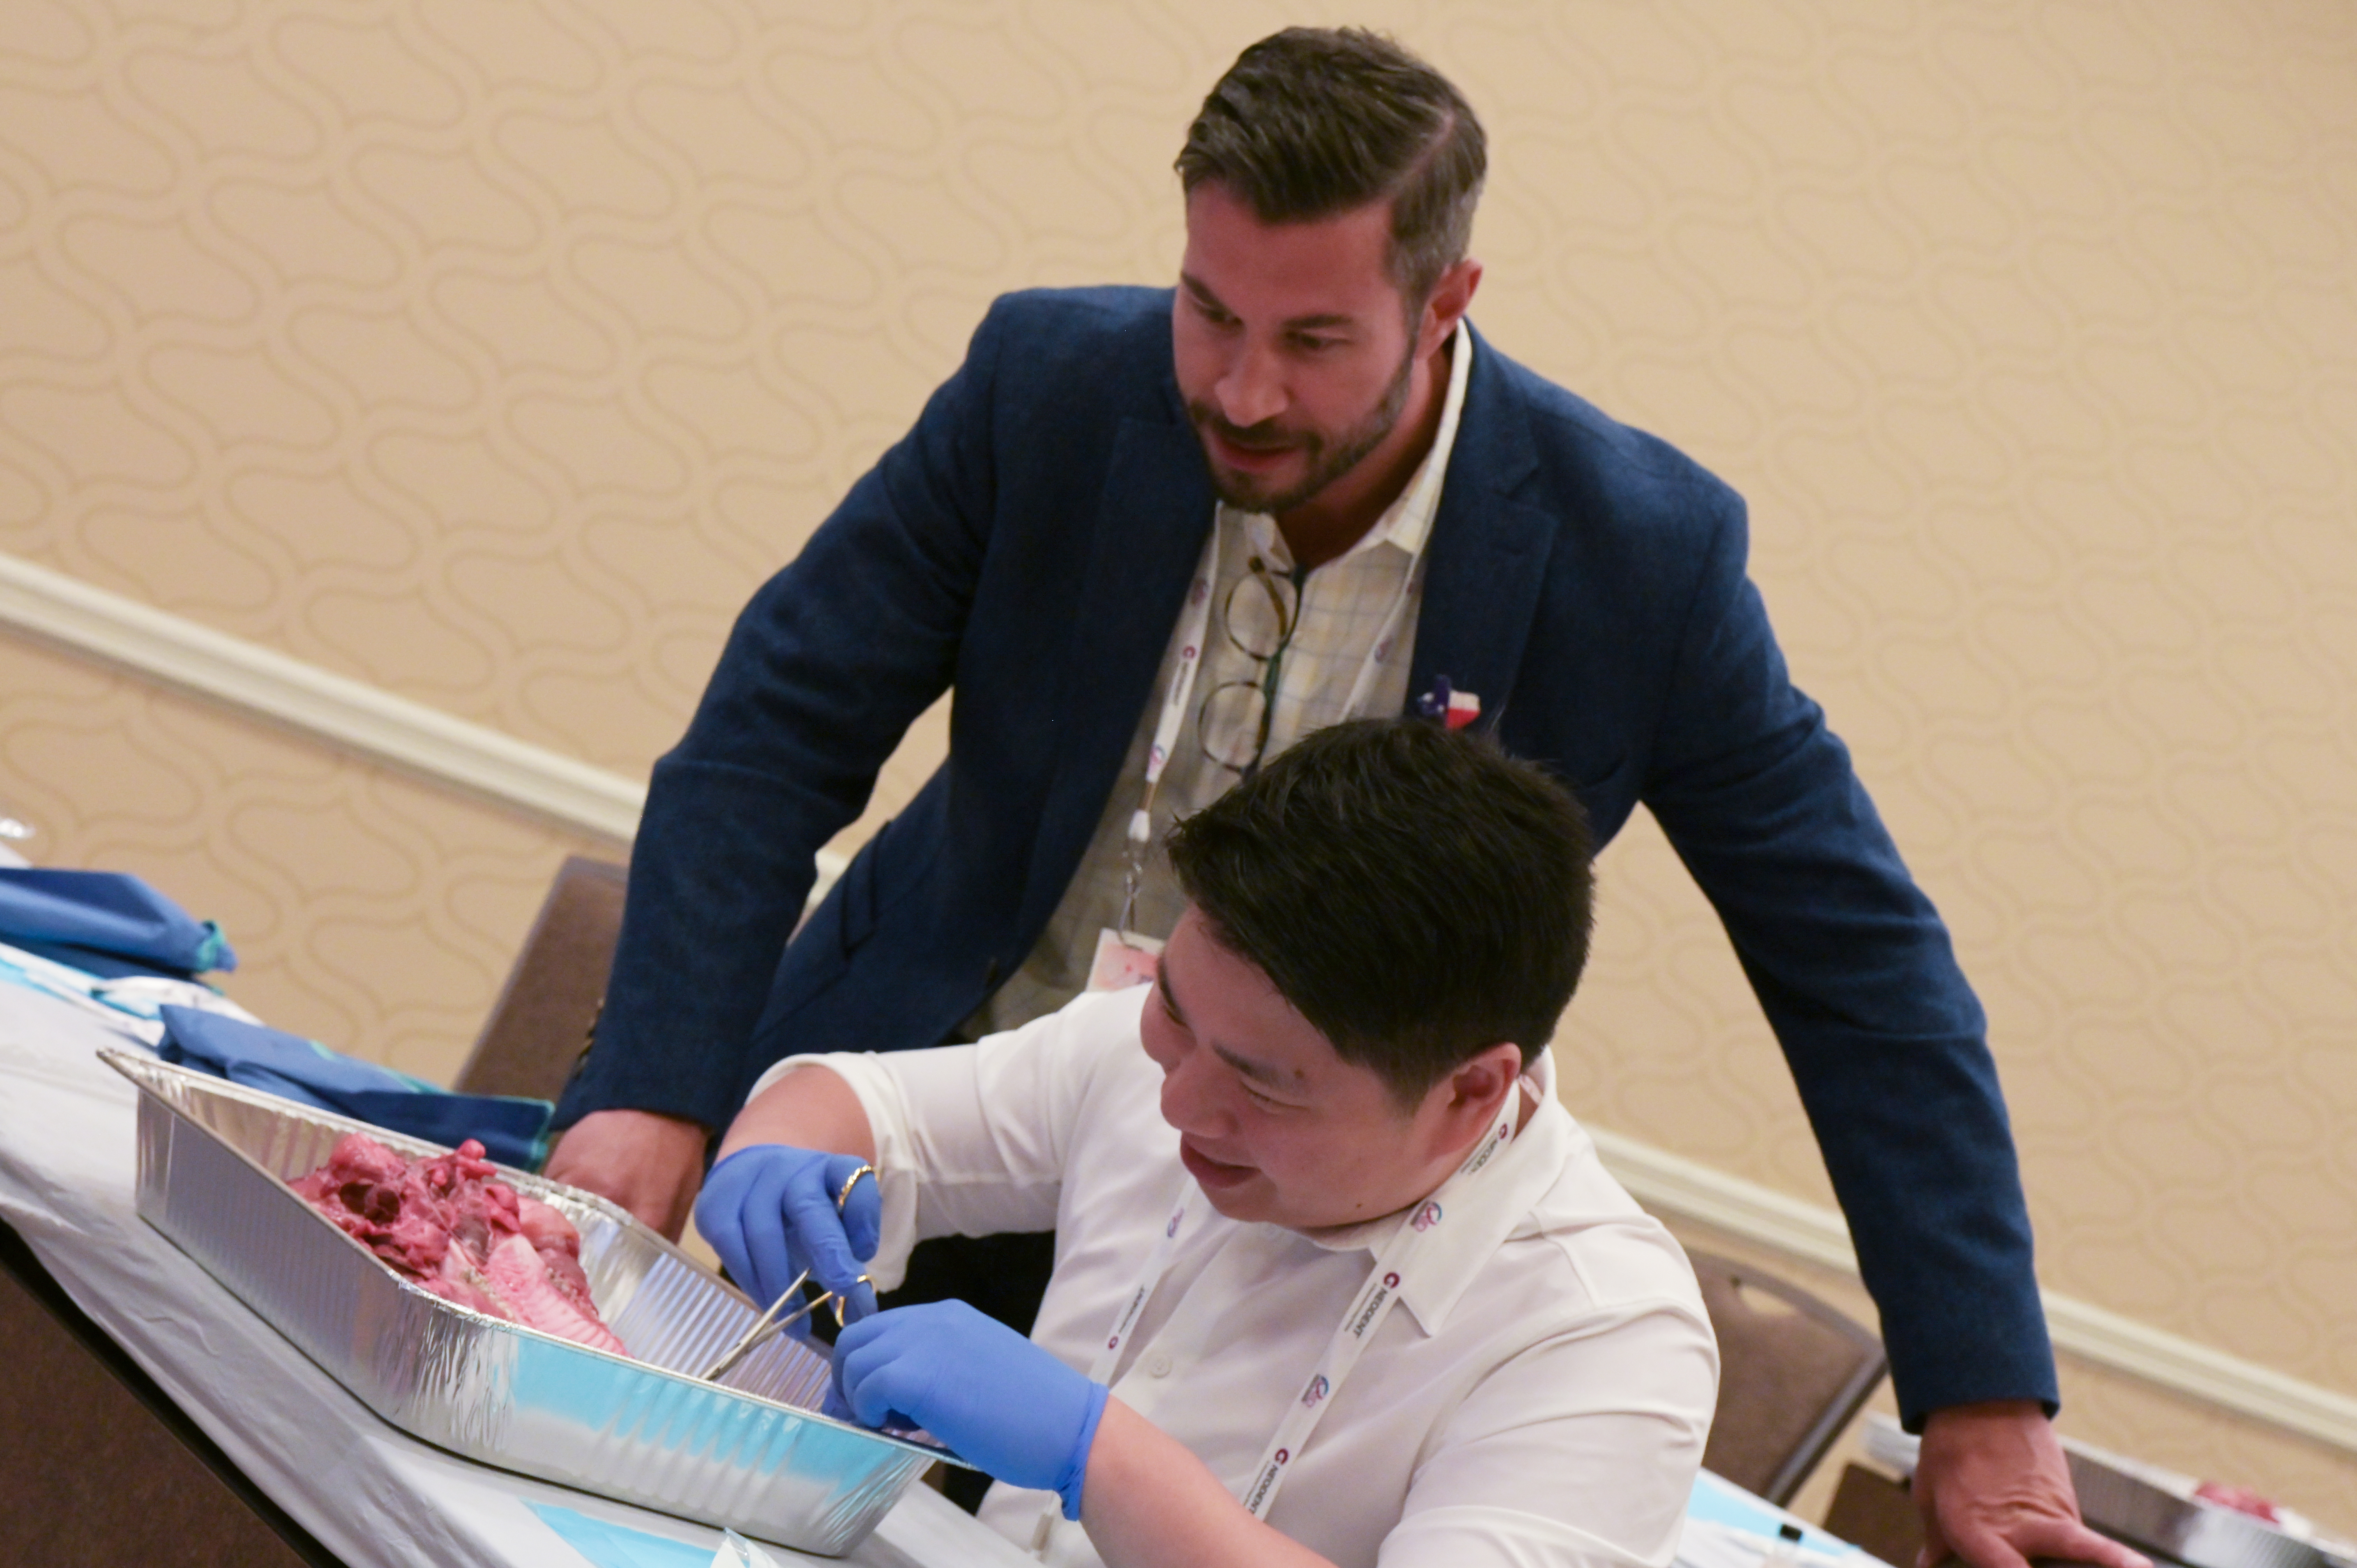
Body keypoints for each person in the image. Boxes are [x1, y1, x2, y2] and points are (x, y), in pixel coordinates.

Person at [548, 28, 2144, 1568]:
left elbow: (1860, 964)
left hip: (1293, 1254)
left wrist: (1986, 1392)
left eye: (1312, 342)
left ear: (1444, 299)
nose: (1240, 390)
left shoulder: (1633, 554)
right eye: (1207, 310)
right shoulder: (1048, 386)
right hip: (949, 1122)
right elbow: (772, 734)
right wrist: (671, 1093)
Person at [698, 719, 1719, 1568]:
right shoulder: (1168, 1045)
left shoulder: (1605, 1332)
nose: (1181, 1102)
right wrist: (772, 1153)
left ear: (1472, 1091)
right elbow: (870, 1104)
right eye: (1176, 1012)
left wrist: (1100, 1459)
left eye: (1264, 1086)